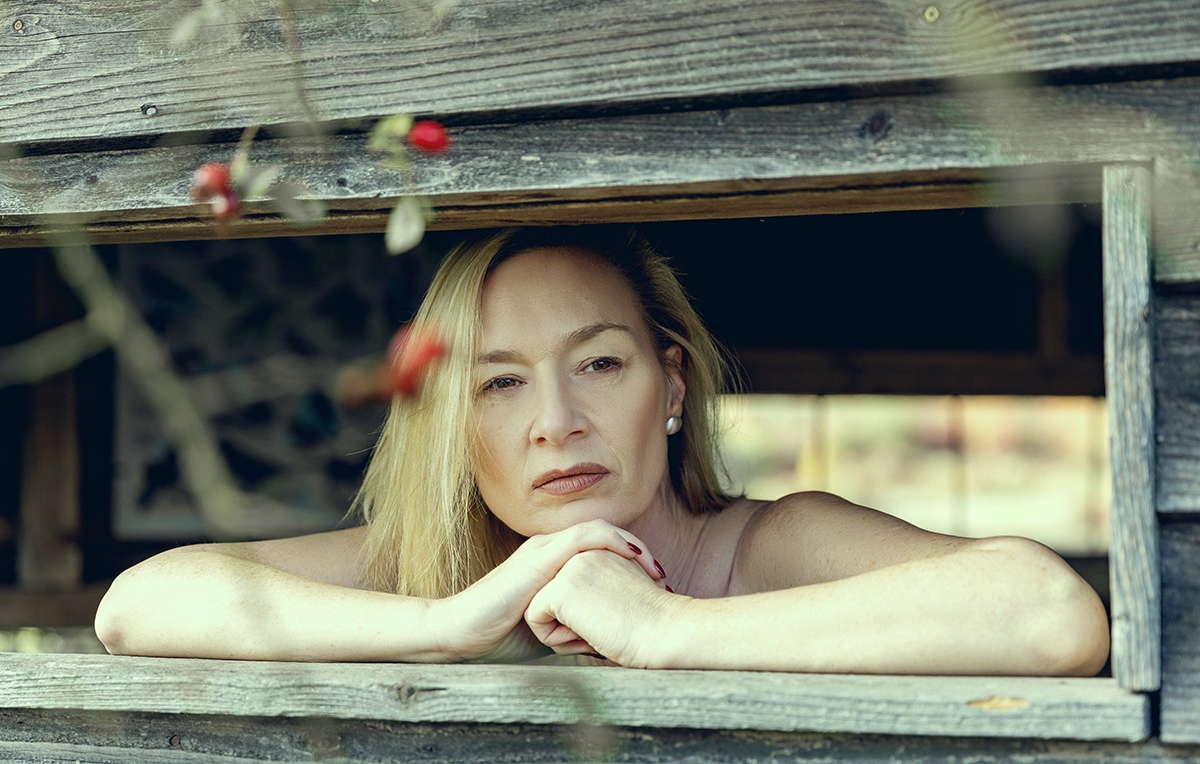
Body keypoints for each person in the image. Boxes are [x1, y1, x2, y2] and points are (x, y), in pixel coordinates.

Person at [95, 228, 1110, 674]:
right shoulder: (446, 566)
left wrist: (666, 628)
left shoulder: (769, 544)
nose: (555, 420)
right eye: (499, 383)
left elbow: (1050, 614)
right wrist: (446, 622)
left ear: (671, 386)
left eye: (600, 364)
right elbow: (135, 606)